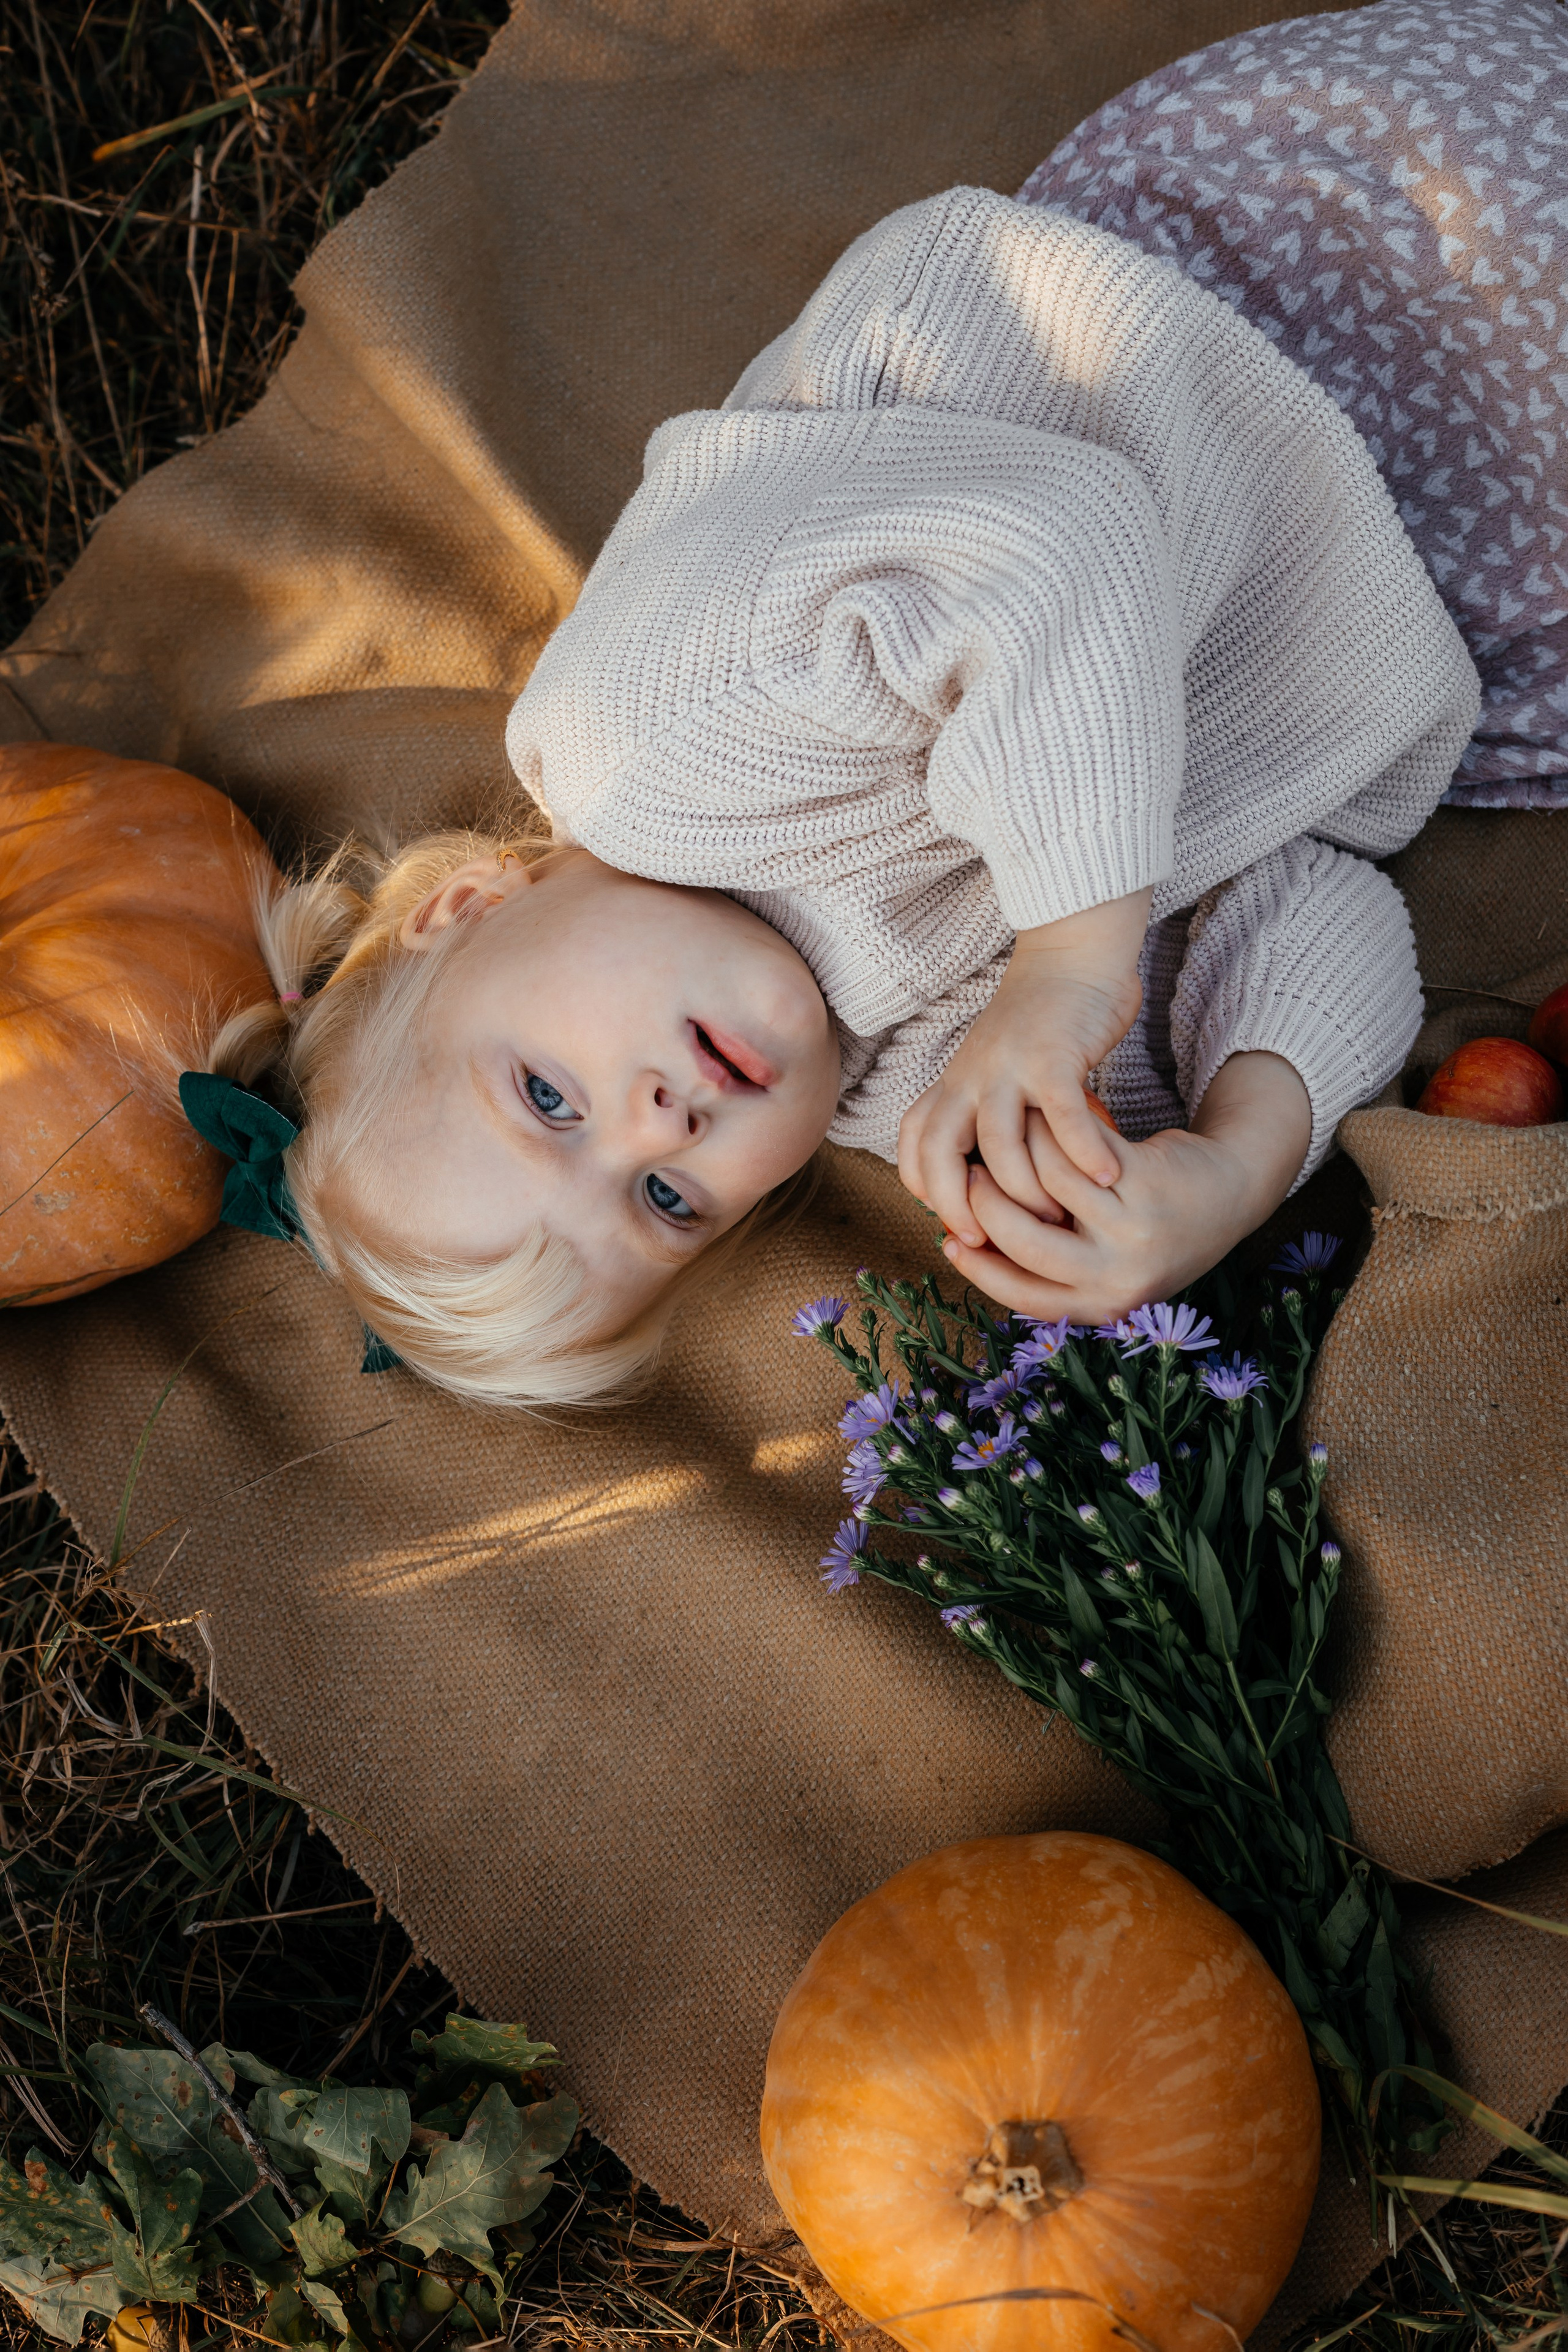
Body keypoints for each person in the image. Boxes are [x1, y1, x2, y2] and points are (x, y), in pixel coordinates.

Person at [199, 0, 1568, 1412]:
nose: (660, 1124)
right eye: (669, 1202)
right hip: (1421, 581)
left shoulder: (647, 732)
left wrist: (1068, 965)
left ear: (466, 906)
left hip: (1291, 286)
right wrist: (1224, 1162)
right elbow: (1320, 897)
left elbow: (1054, 540)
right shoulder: (919, 1084)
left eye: (548, 1097)